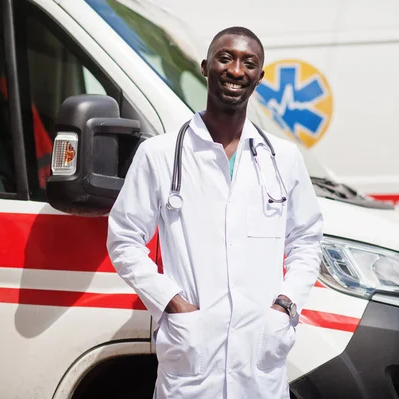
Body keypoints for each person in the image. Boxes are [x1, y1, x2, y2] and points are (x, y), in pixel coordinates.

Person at [106, 26, 323, 399]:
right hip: (192, 356)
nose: (236, 70)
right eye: (226, 58)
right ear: (206, 67)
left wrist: (285, 305)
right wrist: (170, 302)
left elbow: (307, 240)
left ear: (260, 76)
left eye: (248, 63)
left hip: (260, 357)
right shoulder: (160, 155)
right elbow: (124, 240)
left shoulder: (283, 159)